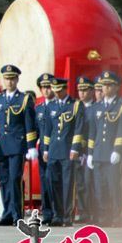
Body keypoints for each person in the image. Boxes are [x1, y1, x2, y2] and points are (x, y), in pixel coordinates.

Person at [0, 65, 37, 226]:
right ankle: (7, 214)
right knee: (4, 179)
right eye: (7, 78)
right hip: (2, 145)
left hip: (17, 144)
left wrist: (31, 146)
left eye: (12, 78)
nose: (9, 81)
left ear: (17, 80)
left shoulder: (24, 99)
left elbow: (29, 123)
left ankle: (17, 214)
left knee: (15, 179)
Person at [87, 71, 122, 227]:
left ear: (116, 87)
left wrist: (117, 150)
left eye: (109, 85)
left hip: (112, 153)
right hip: (98, 153)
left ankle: (117, 218)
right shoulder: (97, 107)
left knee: (114, 188)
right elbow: (93, 131)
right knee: (100, 189)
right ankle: (103, 218)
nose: (105, 88)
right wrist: (90, 153)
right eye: (103, 85)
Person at [42, 77, 85, 227]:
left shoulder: (75, 104)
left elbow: (79, 128)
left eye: (59, 91)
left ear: (65, 89)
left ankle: (67, 216)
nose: (57, 94)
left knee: (68, 184)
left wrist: (75, 148)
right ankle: (57, 215)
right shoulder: (51, 105)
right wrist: (46, 149)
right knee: (54, 184)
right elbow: (47, 129)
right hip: (54, 149)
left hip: (67, 149)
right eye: (55, 91)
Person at [73, 76, 95, 223]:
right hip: (78, 151)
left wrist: (88, 153)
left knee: (92, 184)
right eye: (80, 90)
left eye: (85, 89)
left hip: (91, 151)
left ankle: (94, 213)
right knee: (80, 184)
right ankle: (83, 212)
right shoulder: (75, 107)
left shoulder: (96, 107)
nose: (82, 93)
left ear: (92, 91)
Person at [34, 73, 55, 224]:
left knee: (56, 181)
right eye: (43, 88)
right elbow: (36, 129)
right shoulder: (39, 108)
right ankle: (47, 212)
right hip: (42, 149)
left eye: (48, 87)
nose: (46, 90)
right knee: (44, 181)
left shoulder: (59, 106)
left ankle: (59, 211)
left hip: (56, 148)